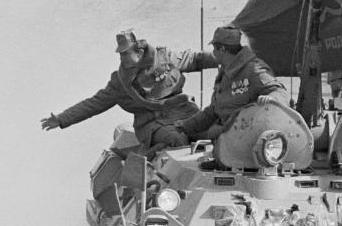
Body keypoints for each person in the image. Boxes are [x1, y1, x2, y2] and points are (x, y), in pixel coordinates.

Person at [42, 30, 214, 150]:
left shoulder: (165, 58)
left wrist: (229, 58)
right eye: (120, 54)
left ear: (139, 52)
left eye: (125, 54)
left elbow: (195, 59)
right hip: (153, 125)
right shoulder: (121, 82)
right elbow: (93, 104)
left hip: (185, 113)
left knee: (216, 131)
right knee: (176, 140)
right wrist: (62, 119)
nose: (122, 58)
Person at [178, 26, 285, 141]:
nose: (213, 53)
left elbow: (280, 92)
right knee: (179, 139)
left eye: (215, 49)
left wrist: (271, 98)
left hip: (245, 137)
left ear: (222, 49)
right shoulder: (225, 71)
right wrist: (184, 126)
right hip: (224, 134)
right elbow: (213, 111)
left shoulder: (253, 69)